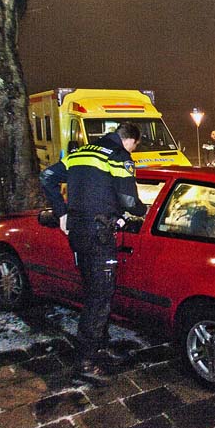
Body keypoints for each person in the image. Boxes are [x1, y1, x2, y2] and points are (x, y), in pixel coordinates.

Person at [40, 122, 147, 385]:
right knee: (100, 297)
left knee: (93, 291)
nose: (133, 150)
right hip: (100, 236)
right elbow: (129, 201)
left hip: (78, 233)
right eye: (135, 146)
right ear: (130, 141)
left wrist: (61, 212)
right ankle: (86, 360)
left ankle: (100, 345)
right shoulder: (119, 156)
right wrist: (145, 211)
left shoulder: (81, 153)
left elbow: (47, 177)